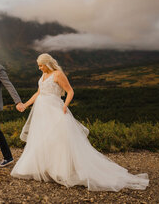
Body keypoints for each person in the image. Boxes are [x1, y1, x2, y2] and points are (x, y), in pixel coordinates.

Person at [11, 53, 149, 191]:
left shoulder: (58, 74)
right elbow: (38, 93)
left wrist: (65, 105)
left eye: (41, 65)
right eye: (38, 66)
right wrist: (25, 105)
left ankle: (61, 170)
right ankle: (45, 168)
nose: (39, 68)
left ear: (47, 64)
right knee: (44, 139)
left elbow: (70, 91)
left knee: (59, 139)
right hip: (42, 112)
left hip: (55, 110)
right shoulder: (43, 76)